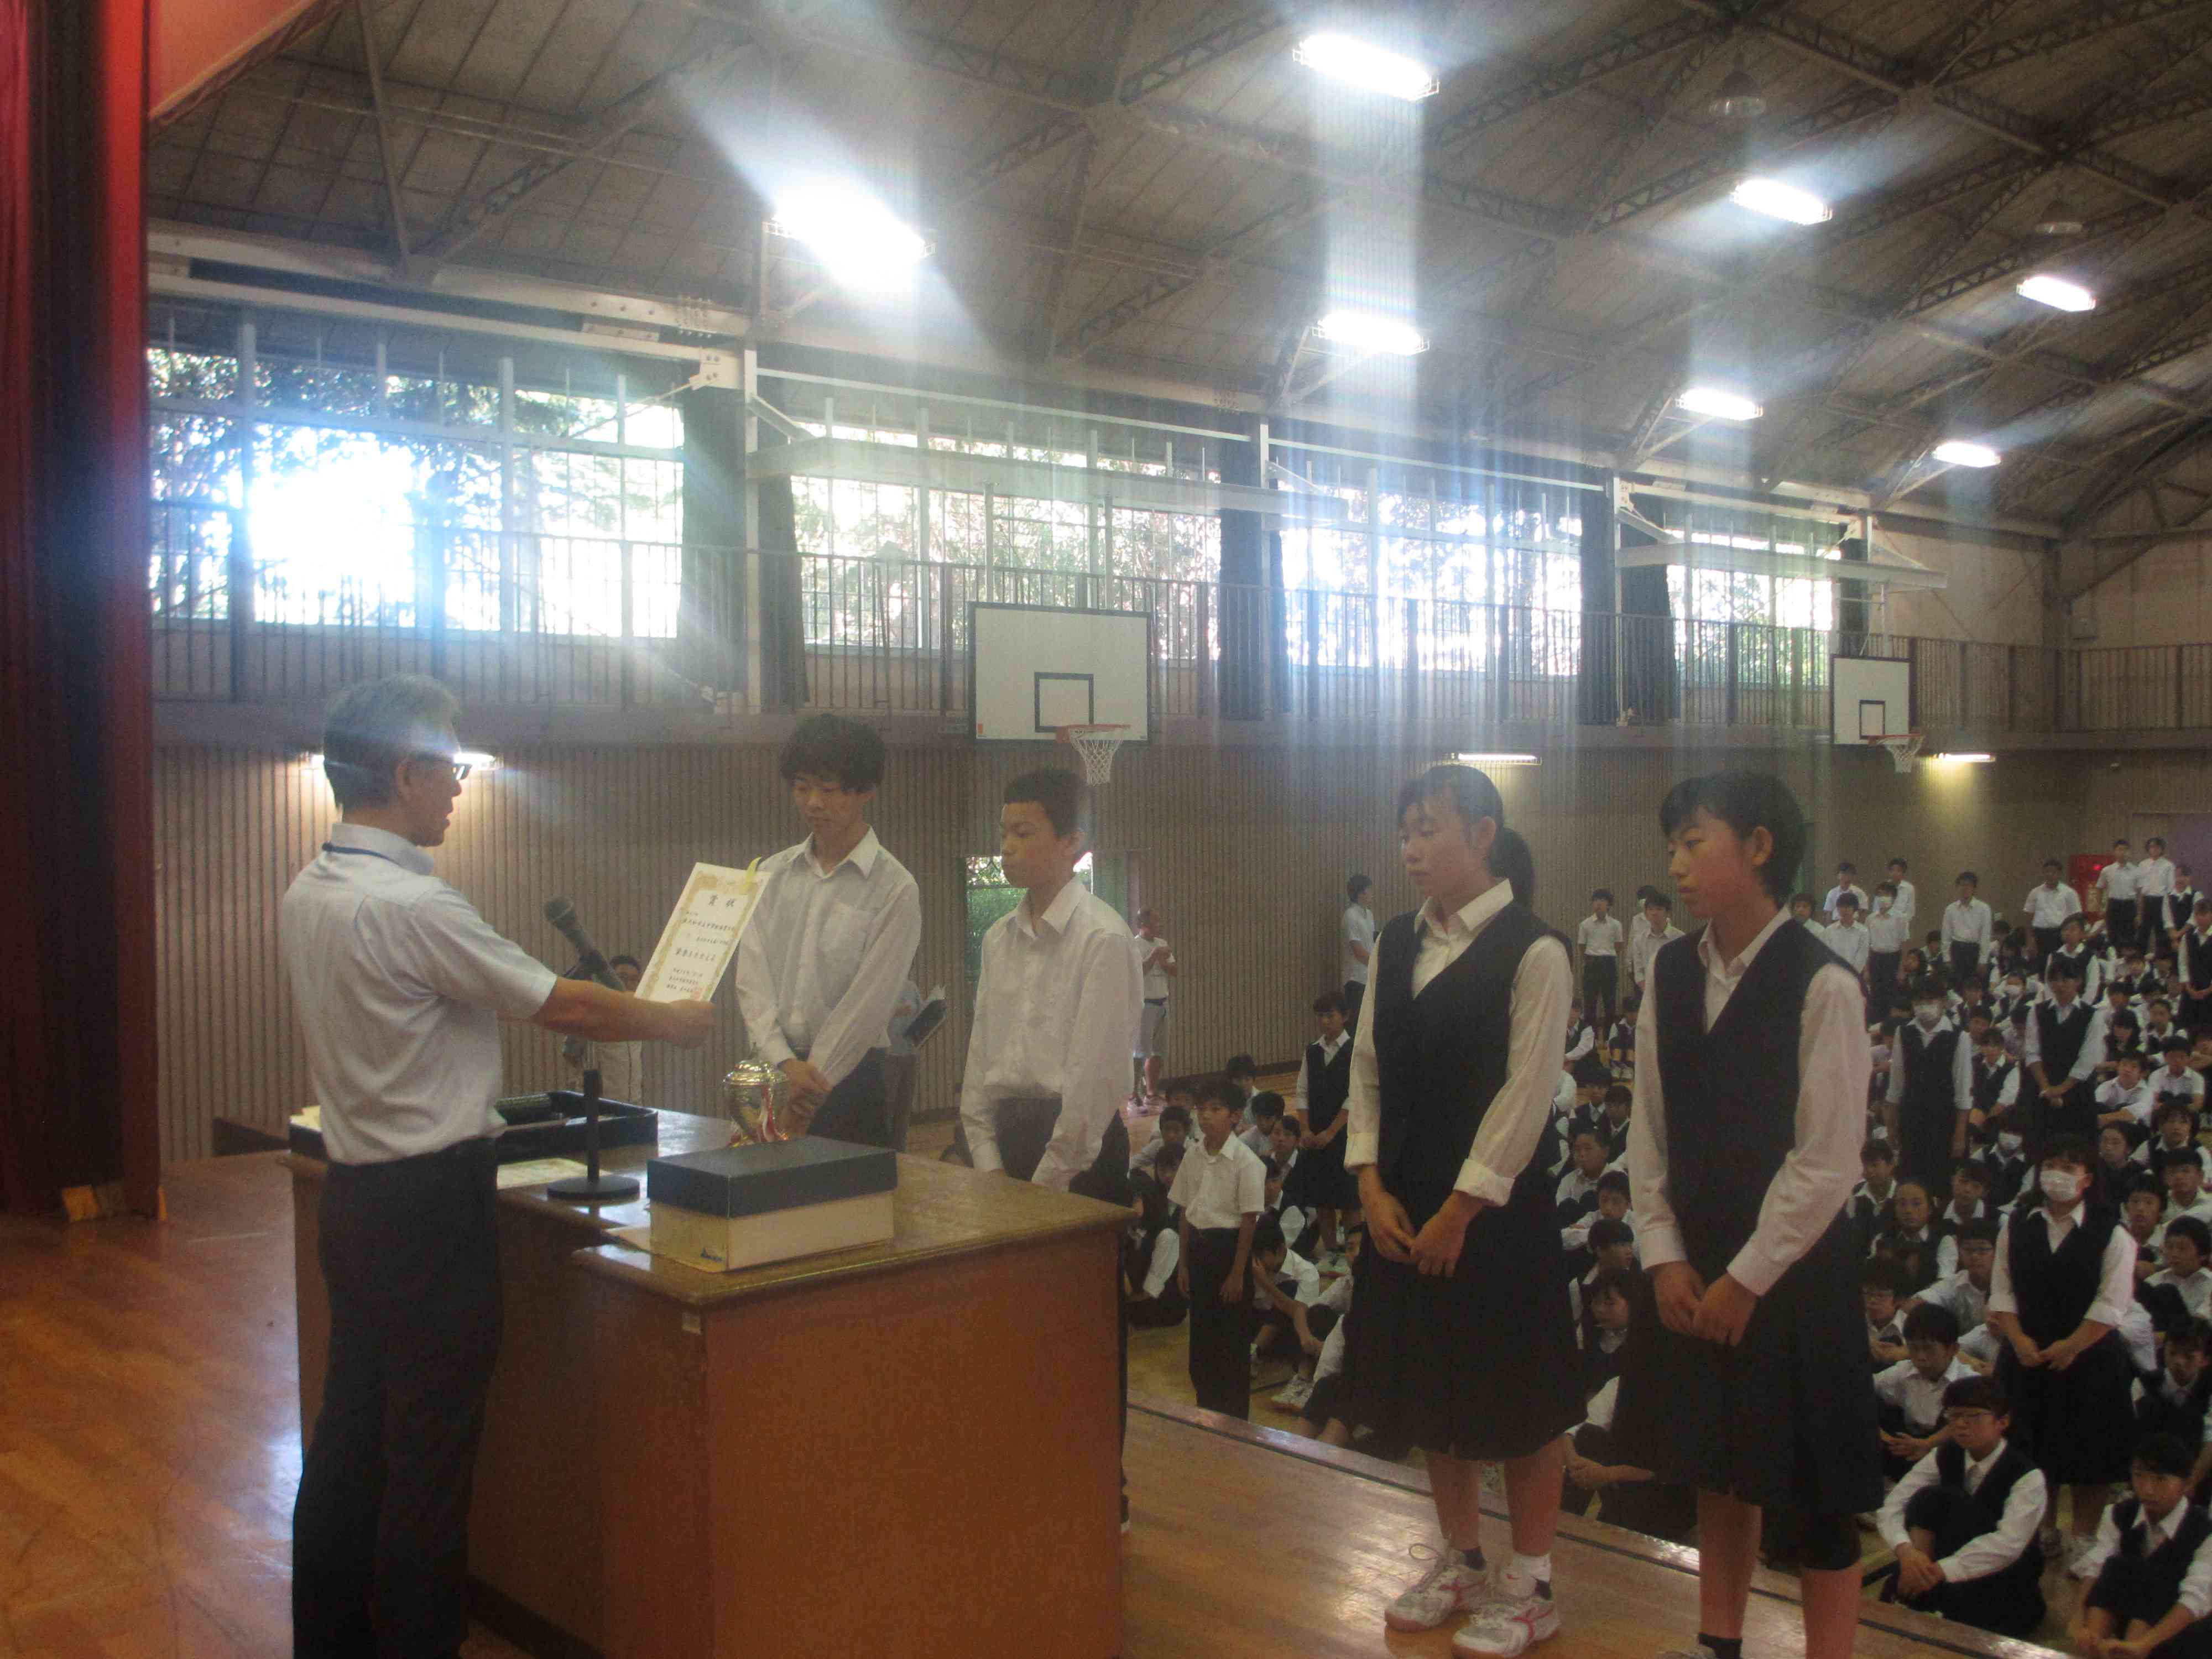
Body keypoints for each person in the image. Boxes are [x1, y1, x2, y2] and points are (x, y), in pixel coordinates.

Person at [283, 676, 714, 1659]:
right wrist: (673, 1019)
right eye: (451, 767)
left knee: (351, 1434)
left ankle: (329, 1640)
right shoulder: (414, 905)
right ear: (407, 773)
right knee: (429, 1456)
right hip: (430, 1205)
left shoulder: (312, 889)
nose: (458, 788)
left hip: (356, 1197)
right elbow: (562, 1003)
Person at [1613, 771, 1877, 1659]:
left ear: (1759, 847)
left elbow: (1828, 1159)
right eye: (1672, 847)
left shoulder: (1823, 981)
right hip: (1692, 1264)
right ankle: (1718, 1641)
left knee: (1819, 1499)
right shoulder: (1669, 969)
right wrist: (1663, 1254)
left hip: (1794, 1274)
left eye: (1695, 843)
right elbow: (1648, 1125)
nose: (1677, 865)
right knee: (1717, 1472)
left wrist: (1748, 1278)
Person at [1342, 764, 1575, 1657]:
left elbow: (1527, 1094)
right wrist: (1370, 1183)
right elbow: (1368, 1068)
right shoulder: (1396, 941)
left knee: (1521, 1401)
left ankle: (1533, 1582)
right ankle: (1463, 1559)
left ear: (1482, 834)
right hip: (1404, 1202)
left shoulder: (1536, 950)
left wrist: (1463, 1207)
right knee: (1435, 1390)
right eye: (1405, 829)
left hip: (1499, 1214)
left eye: (1429, 828)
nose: (1410, 847)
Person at [732, 714, 923, 1149]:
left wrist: (812, 1082)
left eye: (829, 789)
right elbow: (752, 981)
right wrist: (784, 1063)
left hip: (851, 1080)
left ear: (866, 791)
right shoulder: (771, 874)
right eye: (801, 788)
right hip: (774, 1070)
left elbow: (870, 1002)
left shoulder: (894, 887)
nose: (813, 803)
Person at [958, 769, 1144, 1190]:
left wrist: (1048, 1180)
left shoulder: (1103, 938)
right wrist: (986, 1156)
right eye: (1004, 833)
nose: (1007, 847)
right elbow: (981, 1053)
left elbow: (1096, 1078)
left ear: (1070, 841)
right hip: (1007, 1140)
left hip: (1079, 1156)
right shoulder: (998, 938)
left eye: (1023, 833)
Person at [1989, 1133, 2138, 1562]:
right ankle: (2044, 1528)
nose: (2057, 1174)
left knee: (2090, 1455)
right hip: (2027, 1354)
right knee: (2035, 1448)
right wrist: (2018, 1340)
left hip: (2090, 1357)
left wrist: (2072, 1346)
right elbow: (2002, 1290)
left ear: (2087, 1178)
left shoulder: (2111, 1232)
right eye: (2051, 1165)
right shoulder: (2017, 1224)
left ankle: (2084, 1537)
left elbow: (2112, 1302)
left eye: (2069, 1168)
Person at [1877, 1375, 2048, 1639]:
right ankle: (1921, 1582)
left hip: (2001, 1575)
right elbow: (1893, 1506)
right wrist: (1907, 1553)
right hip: (1940, 1561)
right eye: (1954, 1415)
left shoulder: (2027, 1475)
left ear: (2003, 1421)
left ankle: (1927, 1589)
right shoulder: (1944, 1455)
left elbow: (2009, 1544)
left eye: (1974, 1416)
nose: (1961, 1424)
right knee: (1927, 1499)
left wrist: (1940, 1571)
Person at [1170, 1078, 1266, 1418]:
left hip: (1229, 1253)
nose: (1206, 1116)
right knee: (1202, 1344)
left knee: (1231, 1346)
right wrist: (1183, 1264)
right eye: (1201, 1109)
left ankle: (1235, 1425)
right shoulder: (1193, 1155)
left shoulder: (1246, 1161)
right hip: (1198, 1252)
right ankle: (1206, 1415)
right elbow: (1185, 1211)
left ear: (1236, 1116)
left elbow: (1249, 1221)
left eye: (1216, 1109)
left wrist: (1238, 1273)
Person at [2068, 1433, 2212, 1659]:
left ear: (2186, 1482)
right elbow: (2095, 1568)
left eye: (2160, 1480)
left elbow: (2196, 1600)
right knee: (2115, 1567)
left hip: (2183, 1631)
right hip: (2130, 1616)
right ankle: (2095, 1647)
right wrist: (2078, 1620)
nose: (2148, 1489)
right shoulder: (2119, 1514)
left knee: (2163, 1574)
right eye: (2139, 1476)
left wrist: (2143, 1645)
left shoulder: (2205, 1529)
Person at [1291, 990, 1355, 1274]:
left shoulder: (1355, 1050)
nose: (1325, 1021)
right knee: (1323, 1199)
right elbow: (1302, 1092)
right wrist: (1305, 1129)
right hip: (1316, 1136)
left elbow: (1355, 1097)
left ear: (1346, 1016)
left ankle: (1354, 1252)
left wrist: (1331, 1132)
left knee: (1349, 1199)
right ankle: (1331, 1252)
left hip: (1345, 1136)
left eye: (1330, 1015)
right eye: (1320, 1016)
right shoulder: (1312, 1051)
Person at [1888, 979, 1970, 1190]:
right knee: (1911, 1179)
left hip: (1944, 1121)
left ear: (1943, 1002)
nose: (1924, 1006)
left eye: (1930, 1000)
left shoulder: (1959, 1036)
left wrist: (1960, 1135)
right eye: (1919, 1001)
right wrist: (1891, 1127)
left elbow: (1963, 1092)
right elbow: (1896, 1086)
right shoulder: (1903, 1033)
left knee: (1939, 1182)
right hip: (1911, 1119)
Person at [1876, 1302, 1972, 1478]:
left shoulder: (1969, 1381)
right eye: (1914, 1348)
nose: (1921, 1357)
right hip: (1904, 1450)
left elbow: (1969, 1425)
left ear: (1953, 1349)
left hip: (1949, 1457)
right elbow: (1860, 1389)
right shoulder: (1903, 1372)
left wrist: (1928, 1444)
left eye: (1929, 1349)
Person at [2030, 955, 2110, 1146]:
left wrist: (2061, 1089)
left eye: (2065, 979)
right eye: (2054, 980)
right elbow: (2032, 1053)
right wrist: (2047, 1089)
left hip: (2078, 1093)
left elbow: (2088, 1059)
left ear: (2078, 981)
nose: (2059, 985)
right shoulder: (2036, 1012)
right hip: (2043, 1090)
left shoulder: (2092, 1016)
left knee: (2079, 1150)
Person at [562, 952, 644, 1103]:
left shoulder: (639, 1017)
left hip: (633, 1102)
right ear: (608, 979)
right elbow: (570, 1054)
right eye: (622, 977)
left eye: (634, 980)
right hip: (599, 1104)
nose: (628, 984)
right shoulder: (591, 1014)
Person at [1130, 908, 1176, 1104]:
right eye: (1156, 921)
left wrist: (1164, 962)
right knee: (1140, 1052)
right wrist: (1156, 953)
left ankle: (1151, 1093)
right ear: (1143, 924)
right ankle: (1133, 1094)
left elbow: (1174, 971)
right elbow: (1139, 971)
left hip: (1162, 1003)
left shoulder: (1162, 943)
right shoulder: (1134, 945)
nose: (1160, 925)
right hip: (1144, 1005)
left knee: (1159, 1052)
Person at [2026, 858, 2085, 974]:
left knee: (2060, 969)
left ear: (2059, 873)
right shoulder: (2035, 893)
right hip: (2040, 935)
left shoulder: (2069, 893)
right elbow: (2029, 918)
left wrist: (2074, 939)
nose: (2050, 875)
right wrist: (2030, 941)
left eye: (2053, 872)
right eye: (2047, 872)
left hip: (2060, 935)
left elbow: (2077, 917)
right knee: (2040, 970)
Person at [1577, 889, 1625, 1027]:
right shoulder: (1585, 924)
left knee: (1610, 1003)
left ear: (1609, 905)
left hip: (1609, 964)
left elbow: (1619, 946)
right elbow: (1582, 946)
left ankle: (1609, 1036)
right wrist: (1593, 957)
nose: (1599, 903)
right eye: (1596, 900)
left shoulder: (1616, 925)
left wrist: (1606, 955)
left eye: (1603, 900)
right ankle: (1590, 1036)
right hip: (1591, 964)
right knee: (1590, 1003)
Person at [2152, 1218, 2212, 1322]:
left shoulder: (2209, 1285)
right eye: (2170, 1247)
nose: (2174, 1254)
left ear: (2203, 1254)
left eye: (2182, 1248)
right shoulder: (2155, 1281)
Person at [1627, 894, 1682, 1001]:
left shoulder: (1680, 938)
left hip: (1674, 993)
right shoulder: (1639, 940)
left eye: (1659, 909)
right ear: (1646, 913)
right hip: (1647, 993)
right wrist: (1649, 993)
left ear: (1668, 912)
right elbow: (1639, 972)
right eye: (1650, 909)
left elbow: (1683, 970)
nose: (1654, 913)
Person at [2105, 841, 2146, 966]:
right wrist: (2103, 910)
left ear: (2129, 853)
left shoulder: (2137, 871)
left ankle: (2129, 966)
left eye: (2125, 850)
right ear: (2114, 852)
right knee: (2113, 937)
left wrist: (2139, 915)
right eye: (2119, 850)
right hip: (2113, 905)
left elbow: (2140, 895)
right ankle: (2114, 967)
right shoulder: (2107, 870)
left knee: (2129, 938)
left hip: (2129, 906)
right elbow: (2102, 891)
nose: (2122, 853)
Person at [1343, 874, 1376, 1026]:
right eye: (1370, 890)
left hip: (1369, 977)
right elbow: (1358, 951)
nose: (1372, 894)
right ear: (1361, 893)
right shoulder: (1350, 916)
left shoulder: (1369, 914)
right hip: (1355, 979)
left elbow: (1371, 944)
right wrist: (1378, 966)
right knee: (1356, 1025)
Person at [1866, 883, 1910, 998]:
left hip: (1893, 959)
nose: (1882, 898)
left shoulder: (1901, 918)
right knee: (1875, 995)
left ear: (1894, 898)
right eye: (1880, 895)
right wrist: (1867, 969)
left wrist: (1901, 969)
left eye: (1886, 895)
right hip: (1875, 959)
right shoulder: (1870, 919)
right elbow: (1867, 946)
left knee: (1891, 995)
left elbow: (1904, 944)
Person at [1132, 1099, 1192, 1177]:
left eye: (1176, 1131)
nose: (1171, 1135)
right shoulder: (1157, 1145)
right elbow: (1132, 1164)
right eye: (1167, 1130)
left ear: (1187, 1131)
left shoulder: (1193, 1149)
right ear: (1161, 1130)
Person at [1824, 891, 1870, 984]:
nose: (1844, 910)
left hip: (1854, 975)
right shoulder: (1830, 930)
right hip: (1833, 974)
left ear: (1855, 909)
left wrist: (1851, 973)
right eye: (1841, 907)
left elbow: (1862, 955)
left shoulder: (1863, 931)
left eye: (1848, 907)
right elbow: (1827, 953)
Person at [2144, 838, 2181, 953]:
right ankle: (2140, 959)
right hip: (2146, 900)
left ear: (2162, 849)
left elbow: (2171, 888)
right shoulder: (2143, 864)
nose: (2154, 849)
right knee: (2143, 932)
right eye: (2152, 847)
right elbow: (2140, 886)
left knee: (2161, 933)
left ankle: (2162, 958)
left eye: (2157, 847)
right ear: (2148, 849)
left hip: (2161, 901)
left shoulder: (2169, 865)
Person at [2183, 898, 2212, 1040]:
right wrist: (2188, 987)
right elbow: (2183, 963)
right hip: (2192, 987)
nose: (2200, 918)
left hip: (2210, 988)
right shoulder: (2188, 937)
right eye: (2197, 914)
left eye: (2204, 914)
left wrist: (2209, 990)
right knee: (2191, 1028)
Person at [1820, 861, 1868, 926]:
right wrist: (1829, 928)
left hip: (1854, 924)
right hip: (1836, 924)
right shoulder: (1832, 893)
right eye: (1843, 873)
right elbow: (1828, 913)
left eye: (1849, 873)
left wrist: (1859, 928)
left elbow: (1863, 913)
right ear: (1838, 875)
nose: (1846, 875)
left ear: (1853, 876)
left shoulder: (1860, 893)